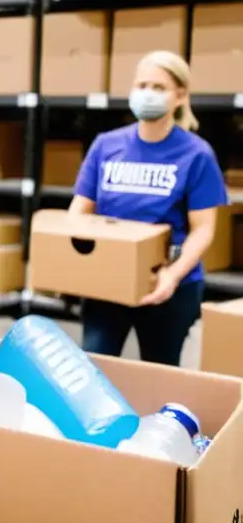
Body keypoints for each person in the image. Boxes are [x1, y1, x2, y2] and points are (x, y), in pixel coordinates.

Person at [70, 51, 226, 366]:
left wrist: (172, 275)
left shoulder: (197, 154)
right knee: (94, 367)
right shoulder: (106, 145)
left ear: (180, 96)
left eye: (158, 87)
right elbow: (79, 212)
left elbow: (204, 229)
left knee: (160, 371)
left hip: (169, 285)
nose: (147, 94)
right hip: (107, 280)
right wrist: (74, 266)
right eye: (142, 85)